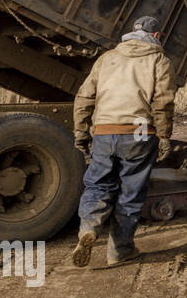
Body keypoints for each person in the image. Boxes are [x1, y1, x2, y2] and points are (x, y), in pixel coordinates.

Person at [70, 16, 176, 268]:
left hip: (105, 130)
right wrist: (163, 136)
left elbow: (84, 98)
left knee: (97, 184)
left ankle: (89, 228)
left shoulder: (107, 58)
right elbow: (163, 102)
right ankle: (120, 249)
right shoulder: (159, 60)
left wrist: (81, 134)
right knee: (131, 192)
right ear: (157, 36)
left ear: (132, 33)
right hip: (139, 132)